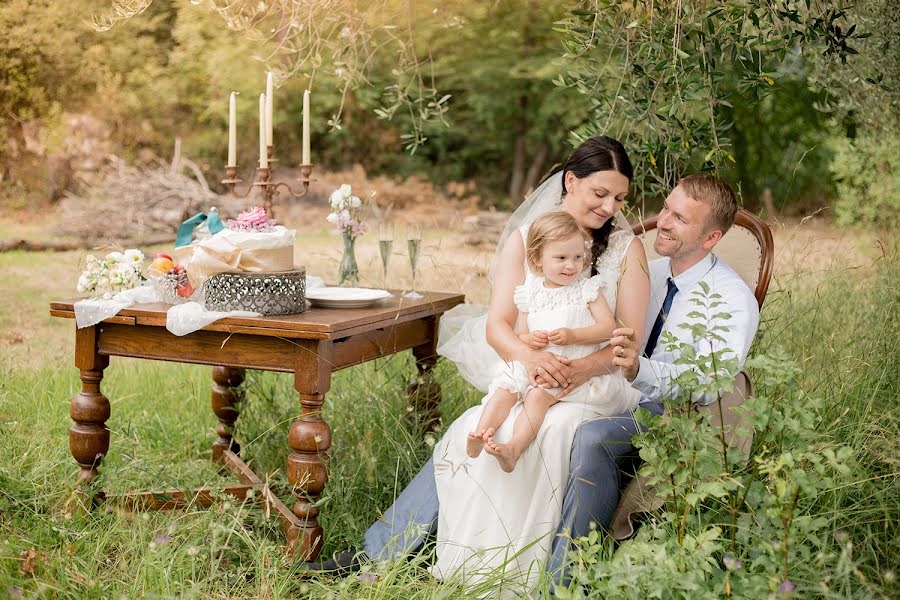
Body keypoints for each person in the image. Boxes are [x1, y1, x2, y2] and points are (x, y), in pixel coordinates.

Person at [302, 158, 759, 594]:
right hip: (591, 381)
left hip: (672, 409)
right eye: (666, 210)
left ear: (712, 236)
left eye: (680, 219)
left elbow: (711, 381)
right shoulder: (651, 268)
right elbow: (542, 321)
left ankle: (562, 578)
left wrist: (629, 369)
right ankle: (387, 553)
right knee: (476, 422)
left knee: (574, 431)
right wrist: (544, 361)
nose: (662, 221)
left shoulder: (730, 299)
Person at [468, 210, 642, 473]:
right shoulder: (529, 293)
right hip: (538, 365)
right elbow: (522, 335)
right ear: (538, 259)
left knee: (537, 397)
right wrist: (530, 340)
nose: (571, 265)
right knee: (506, 387)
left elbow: (609, 328)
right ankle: (481, 434)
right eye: (561, 258)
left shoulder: (588, 290)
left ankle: (514, 449)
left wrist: (574, 336)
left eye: (577, 257)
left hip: (572, 367)